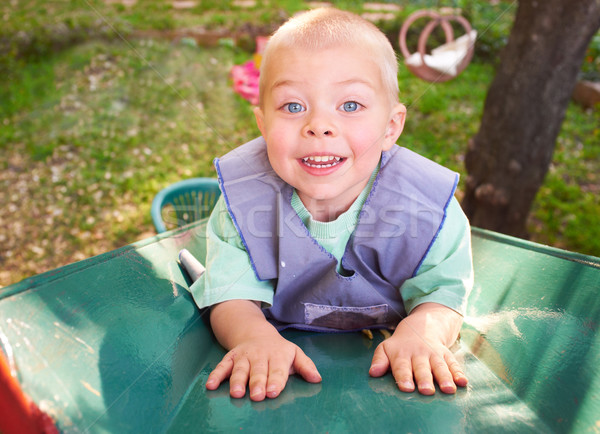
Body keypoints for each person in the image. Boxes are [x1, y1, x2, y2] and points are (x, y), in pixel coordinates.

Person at [190, 7, 473, 402]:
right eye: (292, 106)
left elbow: (444, 292)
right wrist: (253, 336)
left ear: (391, 126)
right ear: (262, 124)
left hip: (383, 392)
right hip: (289, 389)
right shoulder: (242, 202)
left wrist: (422, 332)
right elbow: (229, 294)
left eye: (350, 105)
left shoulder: (429, 207)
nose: (319, 125)